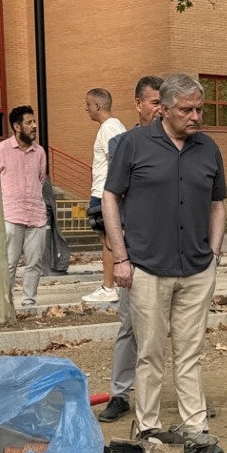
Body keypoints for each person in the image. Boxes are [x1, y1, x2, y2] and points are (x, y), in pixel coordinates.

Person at [103, 72, 225, 445]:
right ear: (165, 109)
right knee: (150, 354)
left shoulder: (208, 148)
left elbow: (218, 204)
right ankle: (148, 429)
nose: (195, 117)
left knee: (190, 353)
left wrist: (214, 254)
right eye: (187, 110)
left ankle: (195, 429)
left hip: (197, 268)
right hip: (147, 268)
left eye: (199, 109)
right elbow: (110, 197)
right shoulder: (133, 144)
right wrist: (120, 258)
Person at [93, 76, 161, 425]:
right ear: (138, 104)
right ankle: (120, 393)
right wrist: (117, 244)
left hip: (173, 253)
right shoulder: (122, 144)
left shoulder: (180, 145)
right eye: (154, 102)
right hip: (134, 251)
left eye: (164, 103)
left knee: (176, 329)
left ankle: (184, 399)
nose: (160, 109)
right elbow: (112, 196)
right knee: (129, 325)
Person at [0, 104, 48, 309]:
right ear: (17, 127)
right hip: (11, 214)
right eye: (29, 123)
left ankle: (29, 302)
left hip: (36, 215)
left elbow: (40, 179)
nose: (34, 126)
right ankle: (6, 304)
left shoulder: (40, 152)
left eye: (34, 121)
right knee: (9, 263)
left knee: (34, 263)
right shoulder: (1, 150)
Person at [82, 88, 127, 305]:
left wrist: (112, 194)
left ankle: (109, 287)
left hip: (104, 194)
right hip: (106, 193)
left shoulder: (109, 128)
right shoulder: (114, 126)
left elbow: (116, 160)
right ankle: (111, 285)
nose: (86, 109)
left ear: (97, 106)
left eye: (88, 104)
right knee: (110, 240)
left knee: (110, 241)